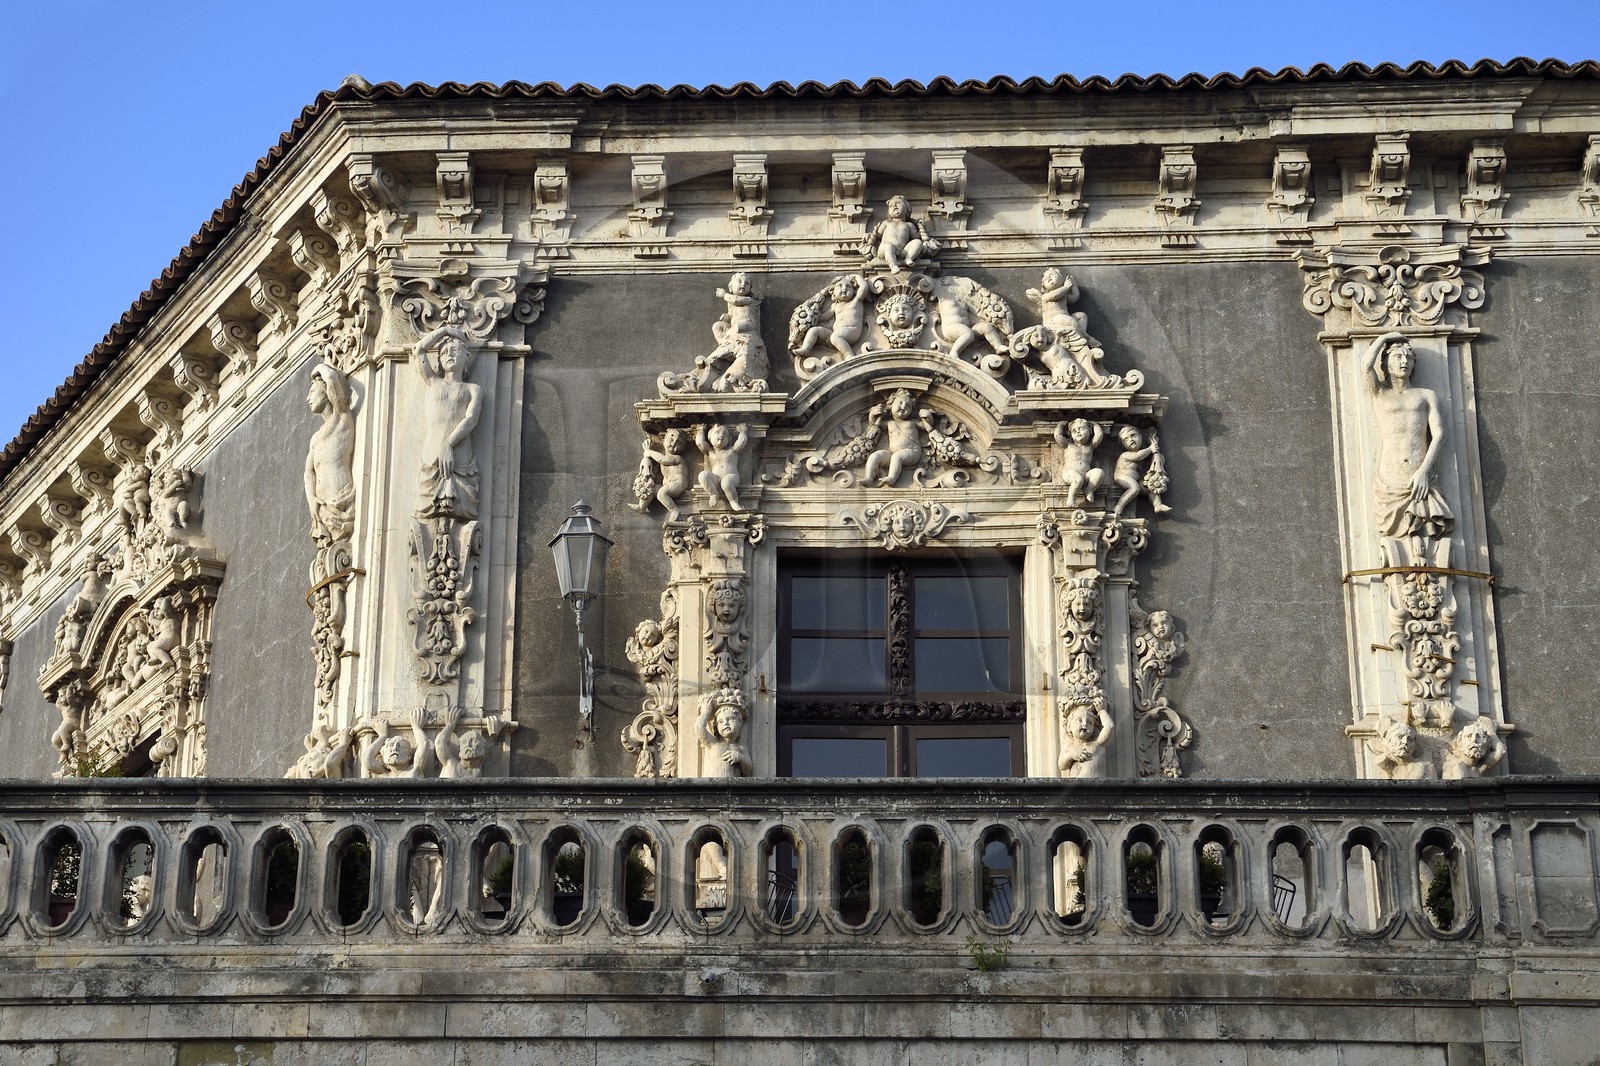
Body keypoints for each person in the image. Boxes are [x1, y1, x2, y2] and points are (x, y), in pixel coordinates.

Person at [1362, 332, 1452, 550]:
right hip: (1390, 476)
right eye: (1398, 357)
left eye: (1409, 358)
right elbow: (1366, 367)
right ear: (1386, 363)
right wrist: (1385, 338)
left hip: (1419, 473)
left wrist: (1423, 471)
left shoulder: (1426, 395)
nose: (1404, 362)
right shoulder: (1380, 393)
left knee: (1424, 538)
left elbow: (1439, 434)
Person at [414, 328, 483, 517]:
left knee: (463, 511)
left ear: (466, 356)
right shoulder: (434, 382)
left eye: (455, 350)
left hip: (460, 460)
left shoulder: (472, 389)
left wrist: (448, 444)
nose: (449, 355)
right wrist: (445, 330)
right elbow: (419, 350)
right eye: (444, 352)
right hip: (431, 457)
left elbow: (471, 419)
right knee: (425, 510)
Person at [304, 364, 357, 545]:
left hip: (340, 501)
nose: (307, 398)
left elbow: (332, 382)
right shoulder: (315, 438)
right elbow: (308, 472)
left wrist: (319, 367)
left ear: (326, 392)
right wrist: (312, 499)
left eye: (312, 392)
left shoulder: (342, 418)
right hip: (322, 506)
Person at [862, 195, 938, 274]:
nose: (894, 206)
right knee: (888, 246)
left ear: (907, 208)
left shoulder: (909, 225)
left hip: (902, 252)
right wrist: (870, 235)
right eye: (891, 205)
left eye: (898, 203)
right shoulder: (886, 223)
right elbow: (878, 235)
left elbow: (916, 237)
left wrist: (921, 227)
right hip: (885, 250)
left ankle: (908, 258)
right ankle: (893, 265)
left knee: (917, 242)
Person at [1055, 418, 1105, 507]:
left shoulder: (1089, 446)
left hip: (1086, 474)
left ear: (1090, 432)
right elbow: (1058, 437)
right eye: (1074, 431)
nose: (1078, 432)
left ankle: (1089, 490)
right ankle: (1071, 497)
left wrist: (1095, 425)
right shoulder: (1069, 445)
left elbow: (1099, 435)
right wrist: (1060, 426)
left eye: (1081, 429)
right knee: (1078, 479)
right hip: (1070, 473)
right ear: (1071, 435)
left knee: (1099, 472)